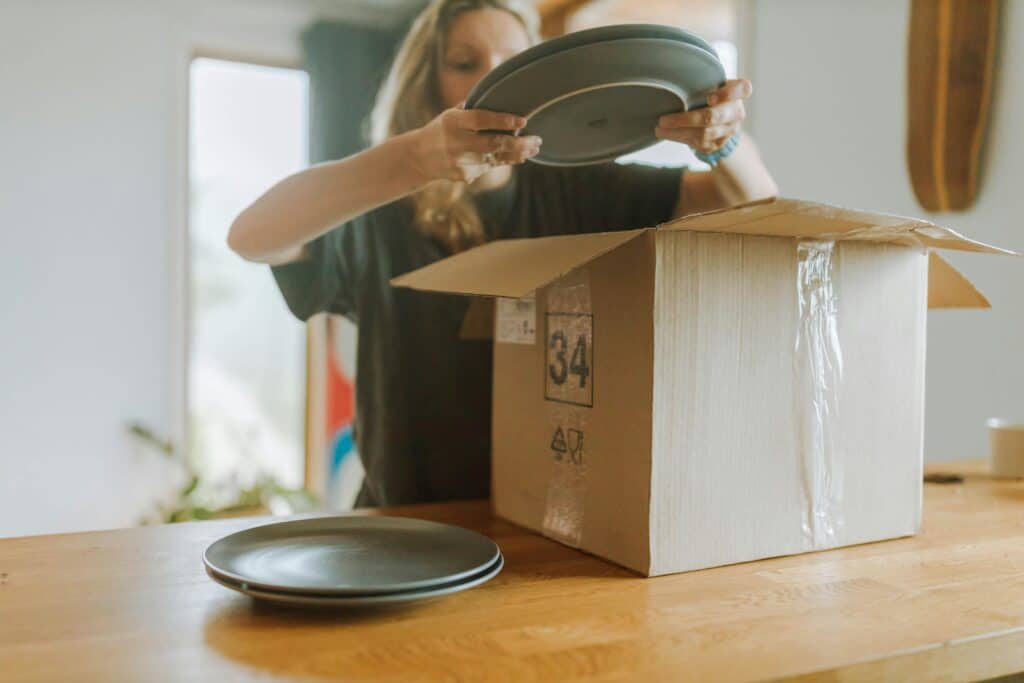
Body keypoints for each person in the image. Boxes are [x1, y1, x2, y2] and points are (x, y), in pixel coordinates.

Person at [227, 0, 779, 507]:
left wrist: (722, 140)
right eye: (465, 64)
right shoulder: (380, 210)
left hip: (554, 522)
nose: (489, 81)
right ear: (426, 85)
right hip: (404, 526)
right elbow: (253, 237)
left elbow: (751, 203)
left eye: (511, 63)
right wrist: (416, 158)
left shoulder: (583, 189)